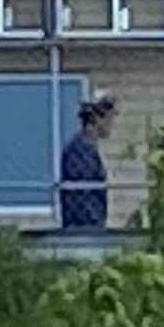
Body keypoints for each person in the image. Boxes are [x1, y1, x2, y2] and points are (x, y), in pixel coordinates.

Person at [57, 95, 117, 231]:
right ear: (96, 118)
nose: (111, 124)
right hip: (83, 230)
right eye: (108, 119)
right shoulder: (80, 151)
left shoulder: (86, 148)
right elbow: (84, 194)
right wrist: (94, 227)